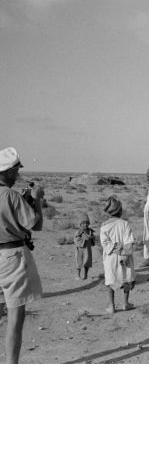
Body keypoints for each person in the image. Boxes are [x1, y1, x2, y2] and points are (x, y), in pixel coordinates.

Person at [0, 147, 43, 363]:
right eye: (16, 170)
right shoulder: (11, 195)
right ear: (8, 171)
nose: (18, 175)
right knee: (15, 317)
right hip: (12, 256)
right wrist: (35, 200)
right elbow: (36, 225)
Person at [100, 196, 135, 313]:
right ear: (120, 211)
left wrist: (113, 248)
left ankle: (112, 306)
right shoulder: (125, 224)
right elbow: (128, 242)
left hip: (110, 257)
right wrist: (122, 249)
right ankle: (126, 303)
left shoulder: (104, 226)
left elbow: (105, 243)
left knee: (110, 280)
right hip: (124, 255)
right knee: (126, 278)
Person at [73, 213, 95, 280]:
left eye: (87, 223)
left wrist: (92, 238)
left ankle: (85, 275)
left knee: (87, 262)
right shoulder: (79, 231)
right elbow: (76, 239)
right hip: (80, 250)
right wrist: (83, 240)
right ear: (80, 224)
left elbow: (93, 239)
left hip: (87, 250)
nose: (85, 224)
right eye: (83, 223)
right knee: (79, 262)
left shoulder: (90, 231)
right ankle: (78, 275)